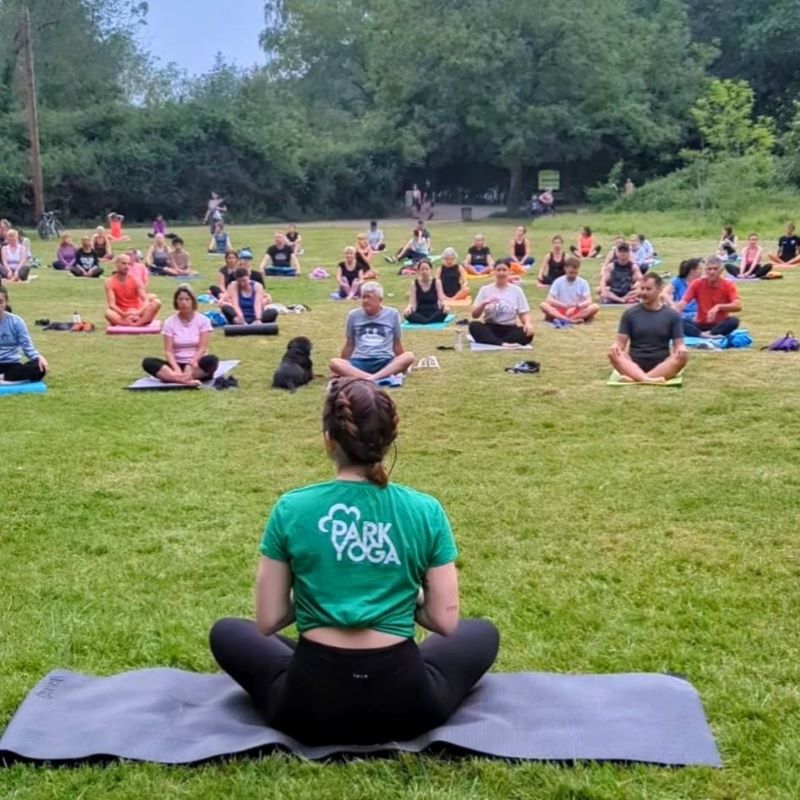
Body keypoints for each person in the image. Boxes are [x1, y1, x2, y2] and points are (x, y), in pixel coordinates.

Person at [209, 378, 499, 746]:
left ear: (328, 439)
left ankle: (325, 639)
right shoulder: (425, 510)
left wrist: (322, 596)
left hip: (308, 706)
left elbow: (268, 620)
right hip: (407, 705)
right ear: (388, 439)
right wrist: (402, 597)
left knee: (229, 631)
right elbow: (444, 619)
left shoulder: (292, 508)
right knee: (483, 632)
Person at [609, 273, 687, 383]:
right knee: (613, 354)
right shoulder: (630, 314)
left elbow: (679, 344)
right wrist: (615, 346)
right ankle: (647, 379)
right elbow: (620, 343)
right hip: (634, 364)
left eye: (648, 289)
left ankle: (637, 378)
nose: (643, 292)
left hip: (662, 364)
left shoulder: (672, 315)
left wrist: (681, 349)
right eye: (642, 288)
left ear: (659, 289)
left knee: (682, 357)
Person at [329, 282, 415, 381]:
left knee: (409, 356)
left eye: (369, 297)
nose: (365, 301)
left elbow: (396, 343)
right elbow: (349, 344)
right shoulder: (353, 315)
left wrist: (402, 365)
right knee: (334, 362)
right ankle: (374, 378)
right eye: (363, 297)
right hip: (360, 361)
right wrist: (343, 366)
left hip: (385, 361)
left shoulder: (392, 314)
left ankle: (369, 378)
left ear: (380, 300)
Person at [142, 286, 218, 386]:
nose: (183, 302)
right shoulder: (170, 322)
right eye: (180, 299)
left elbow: (202, 348)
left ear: (192, 301)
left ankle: (175, 378)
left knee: (212, 360)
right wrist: (176, 368)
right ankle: (183, 380)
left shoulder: (203, 321)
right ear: (176, 302)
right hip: (176, 364)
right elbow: (168, 351)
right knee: (148, 362)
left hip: (196, 365)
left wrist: (191, 364)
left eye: (187, 299)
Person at [469, 261, 533, 346]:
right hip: (490, 327)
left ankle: (494, 341)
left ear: (509, 272)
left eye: (504, 270)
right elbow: (475, 315)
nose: (501, 273)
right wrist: (483, 303)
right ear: (494, 272)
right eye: (498, 270)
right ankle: (500, 343)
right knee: (474, 326)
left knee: (528, 333)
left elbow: (523, 313)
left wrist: (527, 324)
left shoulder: (517, 291)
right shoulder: (485, 290)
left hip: (510, 328)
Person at [677, 256, 742, 338]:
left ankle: (709, 333)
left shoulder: (728, 285)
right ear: (705, 271)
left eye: (715, 269)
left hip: (719, 325)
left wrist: (718, 307)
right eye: (709, 269)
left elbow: (738, 306)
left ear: (721, 271)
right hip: (700, 324)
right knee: (678, 320)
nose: (712, 272)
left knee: (734, 321)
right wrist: (673, 313)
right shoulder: (697, 283)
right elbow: (683, 302)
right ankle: (704, 334)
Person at [0, 287, 47, 382]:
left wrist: (38, 357)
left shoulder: (16, 322)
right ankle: (8, 377)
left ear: (6, 302)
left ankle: (3, 377)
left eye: (0, 301)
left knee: (39, 368)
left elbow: (27, 347)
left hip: (11, 365)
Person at [104, 253, 162, 327]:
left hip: (138, 312)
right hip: (122, 313)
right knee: (108, 313)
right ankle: (132, 323)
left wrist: (138, 312)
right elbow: (111, 305)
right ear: (116, 264)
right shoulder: (109, 281)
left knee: (157, 302)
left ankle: (137, 323)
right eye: (124, 263)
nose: (126, 266)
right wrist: (124, 314)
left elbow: (145, 300)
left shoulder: (136, 280)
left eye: (128, 264)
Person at [539, 257, 599, 324]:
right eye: (571, 273)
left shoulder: (583, 282)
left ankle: (569, 319)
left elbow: (589, 300)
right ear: (565, 269)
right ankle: (568, 320)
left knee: (595, 307)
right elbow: (549, 299)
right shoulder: (558, 281)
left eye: (575, 273)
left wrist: (576, 306)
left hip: (576, 310)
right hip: (560, 309)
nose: (573, 275)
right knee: (543, 305)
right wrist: (564, 306)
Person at [404, 259, 448, 324]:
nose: (424, 271)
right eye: (422, 269)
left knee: (444, 312)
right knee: (407, 314)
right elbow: (412, 302)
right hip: (420, 312)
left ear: (431, 270)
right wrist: (408, 308)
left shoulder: (437, 282)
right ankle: (428, 321)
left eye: (426, 269)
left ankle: (425, 321)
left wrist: (445, 306)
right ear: (418, 271)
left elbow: (441, 300)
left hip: (434, 312)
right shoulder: (414, 284)